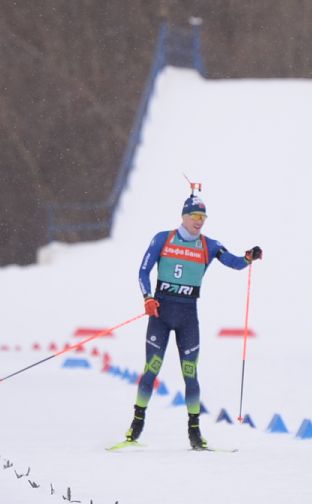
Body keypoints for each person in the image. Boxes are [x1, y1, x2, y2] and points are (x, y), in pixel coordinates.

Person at [124, 192, 262, 450]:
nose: (199, 221)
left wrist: (248, 258)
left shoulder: (209, 245)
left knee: (190, 374)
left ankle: (195, 432)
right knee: (152, 368)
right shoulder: (163, 238)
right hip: (161, 316)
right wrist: (147, 298)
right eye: (195, 216)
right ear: (184, 216)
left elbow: (233, 262)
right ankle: (137, 423)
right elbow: (143, 270)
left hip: (188, 316)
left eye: (203, 217)